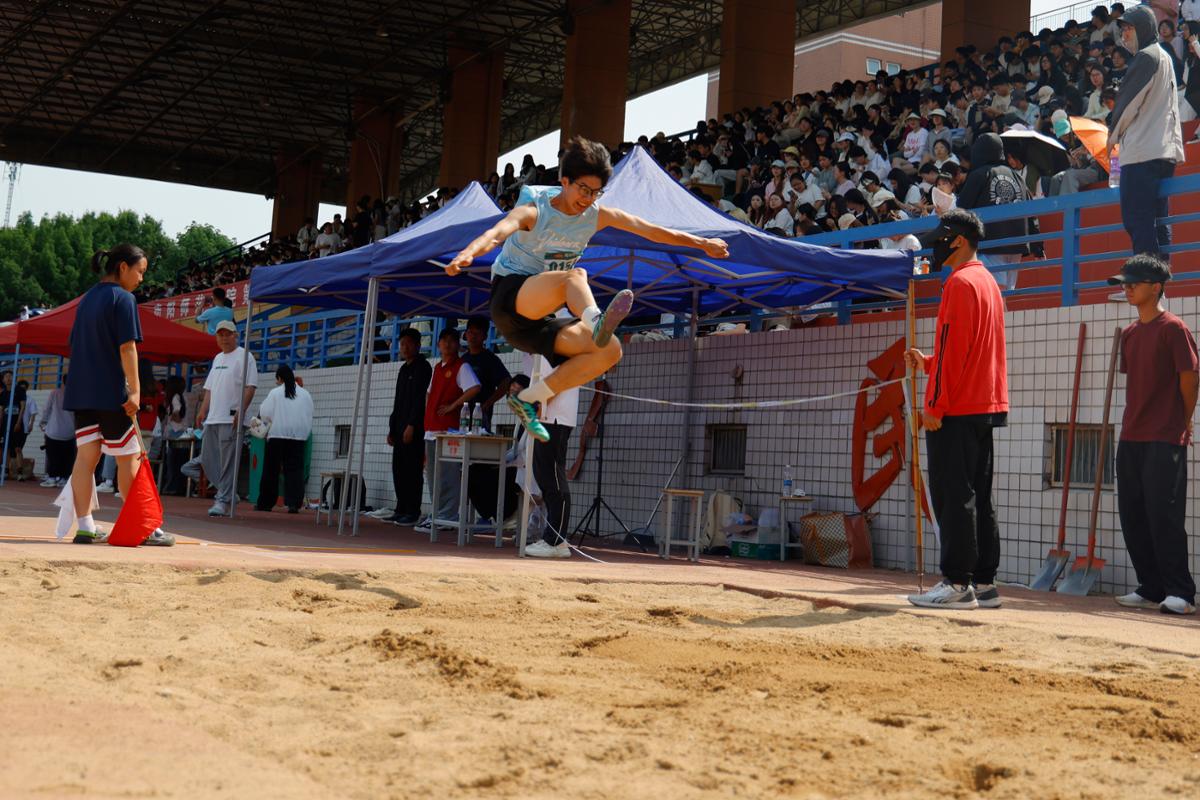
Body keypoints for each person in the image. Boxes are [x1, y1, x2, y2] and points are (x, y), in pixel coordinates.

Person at [445, 136, 727, 443]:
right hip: (511, 297)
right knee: (574, 276)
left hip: (537, 322)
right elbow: (497, 232)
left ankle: (528, 398)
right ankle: (596, 322)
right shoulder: (535, 209)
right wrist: (469, 252)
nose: (588, 198)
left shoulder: (597, 215)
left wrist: (703, 244)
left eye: (596, 192)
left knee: (610, 350)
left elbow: (651, 230)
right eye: (583, 189)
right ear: (564, 181)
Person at [904, 210, 1008, 610]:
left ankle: (957, 582)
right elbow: (970, 349)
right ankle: (984, 582)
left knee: (953, 495)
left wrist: (934, 403)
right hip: (985, 403)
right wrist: (929, 362)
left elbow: (954, 348)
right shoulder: (989, 283)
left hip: (957, 408)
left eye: (941, 239)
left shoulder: (959, 283)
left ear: (958, 240)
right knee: (979, 496)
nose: (936, 246)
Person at [64, 244, 173, 546]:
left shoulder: (86, 300)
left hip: (81, 391)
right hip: (112, 392)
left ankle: (85, 526)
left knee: (85, 458)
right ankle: (143, 526)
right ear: (123, 267)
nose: (141, 278)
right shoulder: (124, 298)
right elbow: (128, 347)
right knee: (129, 457)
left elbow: (75, 344)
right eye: (140, 271)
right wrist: (136, 391)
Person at [1107, 255, 1197, 615]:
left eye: (1134, 283)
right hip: (1131, 435)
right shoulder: (1130, 334)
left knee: (1165, 515)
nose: (1127, 289)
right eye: (1124, 283)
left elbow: (1190, 378)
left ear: (1157, 287)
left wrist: (1183, 420)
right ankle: (1151, 587)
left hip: (1165, 435)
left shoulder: (1174, 329)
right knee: (1133, 514)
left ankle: (1181, 593)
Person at [1109, 4, 1185, 256]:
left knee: (1137, 218)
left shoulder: (1145, 56)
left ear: (1142, 28)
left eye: (1129, 28)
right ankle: (1160, 271)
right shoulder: (1163, 56)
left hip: (1142, 153)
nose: (1124, 35)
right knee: (1159, 220)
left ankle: (1146, 272)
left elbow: (1127, 105)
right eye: (1123, 30)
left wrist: (1111, 139)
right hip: (1163, 151)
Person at [416, 327, 480, 532]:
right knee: (433, 474)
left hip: (448, 429)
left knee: (448, 474)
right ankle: (438, 513)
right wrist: (429, 411)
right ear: (438, 344)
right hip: (431, 427)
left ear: (458, 345)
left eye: (452, 340)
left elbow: (474, 387)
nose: (447, 344)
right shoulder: (437, 368)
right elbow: (429, 393)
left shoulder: (462, 366)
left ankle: (448, 515)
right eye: (444, 340)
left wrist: (453, 406)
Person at [522, 345, 581, 559]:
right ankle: (554, 538)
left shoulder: (559, 344)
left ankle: (556, 540)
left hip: (555, 418)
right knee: (546, 477)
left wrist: (539, 405)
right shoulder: (549, 346)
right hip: (547, 417)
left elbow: (560, 379)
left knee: (553, 478)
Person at [196, 319, 258, 516]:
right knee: (207, 459)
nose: (224, 338)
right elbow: (209, 388)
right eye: (220, 335)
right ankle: (229, 492)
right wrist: (203, 410)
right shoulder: (217, 358)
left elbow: (250, 387)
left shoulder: (245, 357)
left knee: (228, 462)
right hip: (213, 418)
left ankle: (222, 499)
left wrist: (241, 410)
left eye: (228, 334)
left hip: (231, 418)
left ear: (235, 335)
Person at [957, 132, 1031, 290]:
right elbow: (1030, 209)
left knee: (995, 292)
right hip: (1017, 243)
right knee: (1005, 292)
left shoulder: (979, 174)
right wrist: (1038, 245)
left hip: (992, 242)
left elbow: (962, 205)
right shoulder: (1017, 177)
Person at [387, 328, 431, 525]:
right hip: (399, 426)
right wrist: (392, 428)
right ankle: (401, 508)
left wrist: (412, 425)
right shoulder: (403, 369)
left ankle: (413, 511)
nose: (404, 348)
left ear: (418, 345)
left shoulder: (423, 368)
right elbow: (398, 400)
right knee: (398, 469)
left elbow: (421, 400)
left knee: (412, 470)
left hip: (414, 428)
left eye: (408, 344)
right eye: (402, 344)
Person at [255, 365, 313, 514]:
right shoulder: (305, 394)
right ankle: (294, 504)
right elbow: (309, 413)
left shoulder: (275, 393)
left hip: (277, 435)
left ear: (280, 378)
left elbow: (265, 412)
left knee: (271, 470)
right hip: (297, 437)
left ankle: (266, 503)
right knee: (295, 470)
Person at [462, 317, 511, 432]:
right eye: (470, 332)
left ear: (485, 336)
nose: (473, 336)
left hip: (481, 416)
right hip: (462, 415)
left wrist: (488, 403)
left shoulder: (490, 359)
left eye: (477, 333)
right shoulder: (463, 359)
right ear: (465, 334)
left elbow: (506, 382)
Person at [40, 373, 75, 489]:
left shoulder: (54, 393)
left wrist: (43, 422)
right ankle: (64, 478)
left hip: (54, 431)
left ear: (62, 381)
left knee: (53, 456)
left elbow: (47, 409)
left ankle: (52, 478)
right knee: (67, 457)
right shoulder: (77, 395)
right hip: (70, 432)